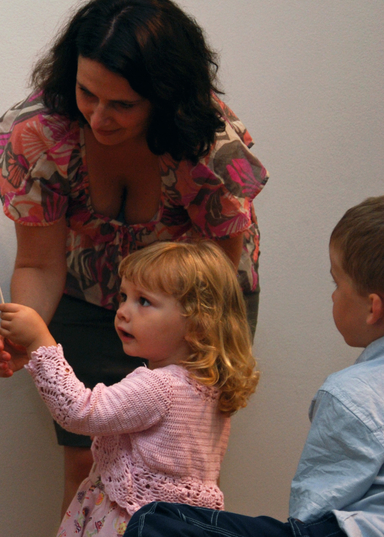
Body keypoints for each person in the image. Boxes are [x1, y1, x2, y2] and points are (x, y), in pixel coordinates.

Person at [0, 0, 269, 511]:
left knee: (169, 476)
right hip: (87, 299)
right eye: (87, 93)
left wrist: (173, 356)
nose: (98, 117)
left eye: (123, 105)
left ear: (165, 97)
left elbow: (213, 275)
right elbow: (39, 263)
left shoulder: (205, 142)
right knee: (86, 467)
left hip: (198, 306)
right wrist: (27, 333)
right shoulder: (40, 134)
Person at [125, 196, 384, 537]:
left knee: (154, 522)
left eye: (337, 283)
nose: (333, 296)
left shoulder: (350, 395)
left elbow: (312, 513)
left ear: (373, 308)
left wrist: (52, 355)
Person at [0, 241, 259, 537]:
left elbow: (79, 411)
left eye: (143, 301)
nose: (122, 311)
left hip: (130, 524)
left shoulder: (158, 386)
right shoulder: (209, 389)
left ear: (197, 322)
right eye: (124, 297)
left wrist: (38, 341)